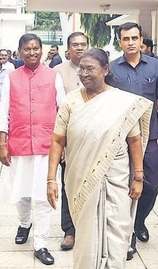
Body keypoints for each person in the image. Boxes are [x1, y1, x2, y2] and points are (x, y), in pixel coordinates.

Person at [47, 47, 151, 269]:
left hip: (116, 176)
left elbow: (135, 140)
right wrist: (50, 179)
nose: (84, 73)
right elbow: (58, 140)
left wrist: (138, 177)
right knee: (86, 236)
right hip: (80, 176)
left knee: (117, 234)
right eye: (81, 68)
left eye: (90, 68)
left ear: (105, 70)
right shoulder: (71, 101)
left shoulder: (122, 102)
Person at [0, 34, 65, 266]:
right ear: (20, 51)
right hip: (19, 143)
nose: (32, 52)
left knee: (44, 195)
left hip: (47, 146)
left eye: (36, 48)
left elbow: (62, 112)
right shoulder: (11, 78)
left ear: (42, 50)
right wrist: (2, 143)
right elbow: (3, 111)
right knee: (21, 192)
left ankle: (41, 243)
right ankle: (25, 224)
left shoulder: (53, 76)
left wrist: (63, 145)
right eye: (27, 49)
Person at [106, 22, 158, 260]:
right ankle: (129, 233)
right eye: (126, 39)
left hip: (150, 137)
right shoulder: (112, 69)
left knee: (152, 185)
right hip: (122, 140)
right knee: (125, 187)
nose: (131, 42)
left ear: (141, 39)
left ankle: (139, 220)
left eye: (135, 38)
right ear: (120, 42)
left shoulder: (156, 66)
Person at [53, 31, 89, 251]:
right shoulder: (57, 72)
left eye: (83, 44)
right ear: (68, 48)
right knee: (68, 185)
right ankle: (70, 230)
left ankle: (89, 229)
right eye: (75, 45)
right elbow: (55, 108)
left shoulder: (100, 68)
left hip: (94, 138)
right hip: (69, 139)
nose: (79, 48)